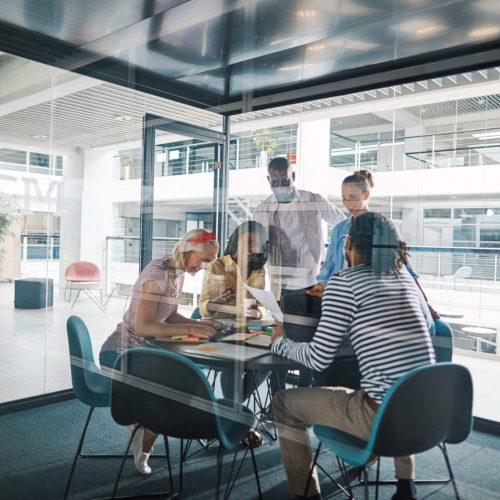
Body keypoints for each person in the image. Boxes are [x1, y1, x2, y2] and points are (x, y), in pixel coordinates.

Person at [271, 212, 436, 500]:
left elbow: (318, 359)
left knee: (284, 403)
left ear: (349, 244)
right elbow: (427, 328)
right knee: (395, 385)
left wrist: (280, 342)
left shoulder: (344, 282)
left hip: (379, 420)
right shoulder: (406, 280)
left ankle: (306, 494)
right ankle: (405, 486)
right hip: (427, 415)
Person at [99, 228, 218, 475]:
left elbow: (169, 313)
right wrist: (189, 327)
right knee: (169, 393)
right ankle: (143, 441)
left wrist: (198, 324)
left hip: (146, 356)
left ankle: (145, 428)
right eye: (204, 259)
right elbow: (143, 327)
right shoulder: (157, 275)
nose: (205, 266)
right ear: (188, 250)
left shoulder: (178, 272)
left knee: (176, 386)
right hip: (121, 355)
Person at [254, 156, 345, 389]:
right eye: (275, 181)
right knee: (279, 341)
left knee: (308, 340)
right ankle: (277, 401)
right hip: (279, 284)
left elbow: (343, 225)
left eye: (285, 179)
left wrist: (333, 265)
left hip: (310, 282)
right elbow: (257, 245)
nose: (281, 185)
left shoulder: (312, 200)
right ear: (268, 180)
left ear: (293, 176)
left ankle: (304, 394)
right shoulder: (263, 209)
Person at [199, 221, 270, 444]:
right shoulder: (217, 266)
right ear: (235, 241)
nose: (251, 246)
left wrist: (258, 311)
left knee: (267, 361)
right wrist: (222, 303)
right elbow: (205, 307)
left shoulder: (259, 269)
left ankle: (231, 415)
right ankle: (237, 419)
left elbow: (260, 304)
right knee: (233, 363)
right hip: (221, 327)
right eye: (246, 241)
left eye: (255, 243)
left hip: (248, 328)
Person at [308, 169, 373, 297]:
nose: (348, 203)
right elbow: (330, 262)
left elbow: (401, 264)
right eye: (344, 198)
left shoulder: (381, 226)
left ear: (365, 195)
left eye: (352, 197)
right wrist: (321, 284)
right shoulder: (340, 229)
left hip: (368, 293)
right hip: (340, 291)